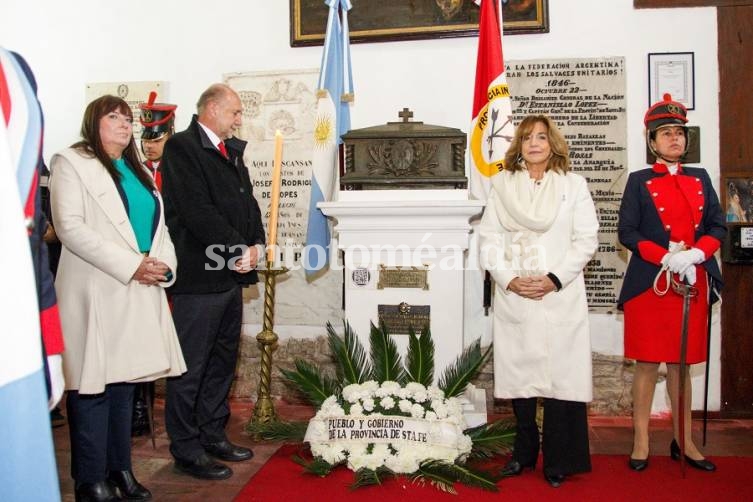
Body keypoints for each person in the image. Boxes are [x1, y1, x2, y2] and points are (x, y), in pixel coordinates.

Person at [50, 95, 187, 501]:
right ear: (94, 121)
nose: (125, 125)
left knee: (126, 386)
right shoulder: (71, 163)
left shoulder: (138, 168)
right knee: (92, 387)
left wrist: (161, 265)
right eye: (114, 117)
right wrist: (131, 265)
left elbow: (160, 227)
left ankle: (120, 470)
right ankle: (90, 480)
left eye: (128, 119)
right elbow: (70, 227)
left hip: (139, 288)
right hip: (98, 287)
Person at [479, 115, 599, 488]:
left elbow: (586, 239)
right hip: (517, 294)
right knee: (522, 379)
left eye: (542, 137)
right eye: (528, 137)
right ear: (518, 145)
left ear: (553, 144)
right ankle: (523, 453)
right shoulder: (502, 186)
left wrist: (553, 279)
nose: (534, 143)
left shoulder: (573, 186)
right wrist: (510, 280)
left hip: (558, 294)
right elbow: (489, 240)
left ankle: (559, 459)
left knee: (562, 379)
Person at [162, 83, 265, 480]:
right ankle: (186, 447)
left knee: (222, 361)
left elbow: (247, 202)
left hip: (228, 276)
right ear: (211, 108)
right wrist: (237, 249)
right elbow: (195, 211)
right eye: (235, 112)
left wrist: (256, 243)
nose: (239, 119)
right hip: (198, 276)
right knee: (191, 367)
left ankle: (212, 434)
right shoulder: (183, 148)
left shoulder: (229, 151)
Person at [618, 93, 725, 473]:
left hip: (691, 281)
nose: (674, 139)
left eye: (679, 132)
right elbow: (627, 232)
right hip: (652, 283)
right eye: (665, 133)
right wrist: (665, 256)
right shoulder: (638, 180)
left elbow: (717, 225)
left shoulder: (701, 178)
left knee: (682, 365)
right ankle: (642, 440)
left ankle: (686, 441)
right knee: (647, 364)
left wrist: (697, 255)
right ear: (652, 142)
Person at [129, 92, 178, 438]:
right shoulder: (136, 175)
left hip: (171, 269)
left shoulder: (177, 171)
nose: (149, 147)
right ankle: (137, 408)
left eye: (156, 139)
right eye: (146, 140)